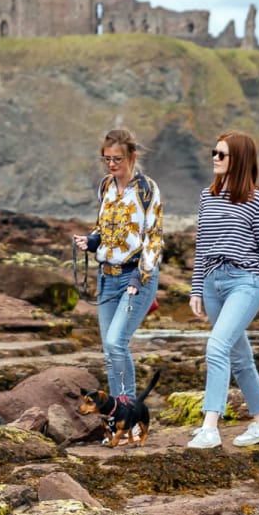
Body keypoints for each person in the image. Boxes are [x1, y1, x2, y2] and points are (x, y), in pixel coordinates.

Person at [186, 131, 259, 449]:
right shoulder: (208, 196)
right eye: (213, 152)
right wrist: (195, 289)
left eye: (222, 154)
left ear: (239, 160)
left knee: (216, 347)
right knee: (239, 357)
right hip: (212, 282)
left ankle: (210, 427)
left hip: (246, 282)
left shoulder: (258, 200)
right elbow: (202, 246)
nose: (215, 159)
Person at [72, 124, 163, 404]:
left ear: (132, 157)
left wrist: (140, 278)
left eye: (117, 159)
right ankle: (118, 418)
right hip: (106, 278)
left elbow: (154, 238)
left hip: (136, 278)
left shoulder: (147, 189)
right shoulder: (105, 187)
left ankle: (128, 413)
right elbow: (104, 229)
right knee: (110, 351)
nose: (111, 164)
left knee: (116, 343)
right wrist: (91, 241)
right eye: (107, 159)